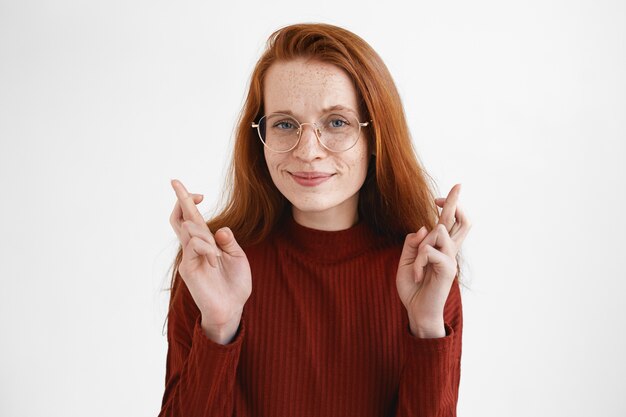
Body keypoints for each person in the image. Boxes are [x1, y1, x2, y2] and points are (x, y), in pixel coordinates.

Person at [159, 22, 471, 417]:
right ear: (261, 136)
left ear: (376, 138)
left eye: (337, 123)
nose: (308, 151)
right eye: (285, 124)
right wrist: (219, 328)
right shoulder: (212, 266)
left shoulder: (425, 272)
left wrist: (427, 328)